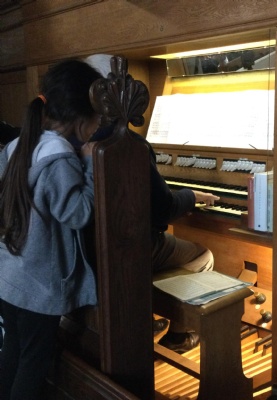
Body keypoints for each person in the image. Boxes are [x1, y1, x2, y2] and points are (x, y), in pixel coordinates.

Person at [84, 54, 220, 353]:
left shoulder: (83, 137)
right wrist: (191, 196)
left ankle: (151, 311)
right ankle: (180, 334)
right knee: (203, 255)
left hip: (94, 245)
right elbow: (163, 209)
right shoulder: (130, 144)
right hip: (130, 246)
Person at [0, 59, 103, 400]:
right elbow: (77, 213)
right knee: (34, 364)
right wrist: (90, 165)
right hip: (37, 287)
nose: (99, 125)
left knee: (13, 352)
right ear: (81, 118)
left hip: (10, 277)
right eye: (98, 117)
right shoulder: (60, 157)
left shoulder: (21, 144)